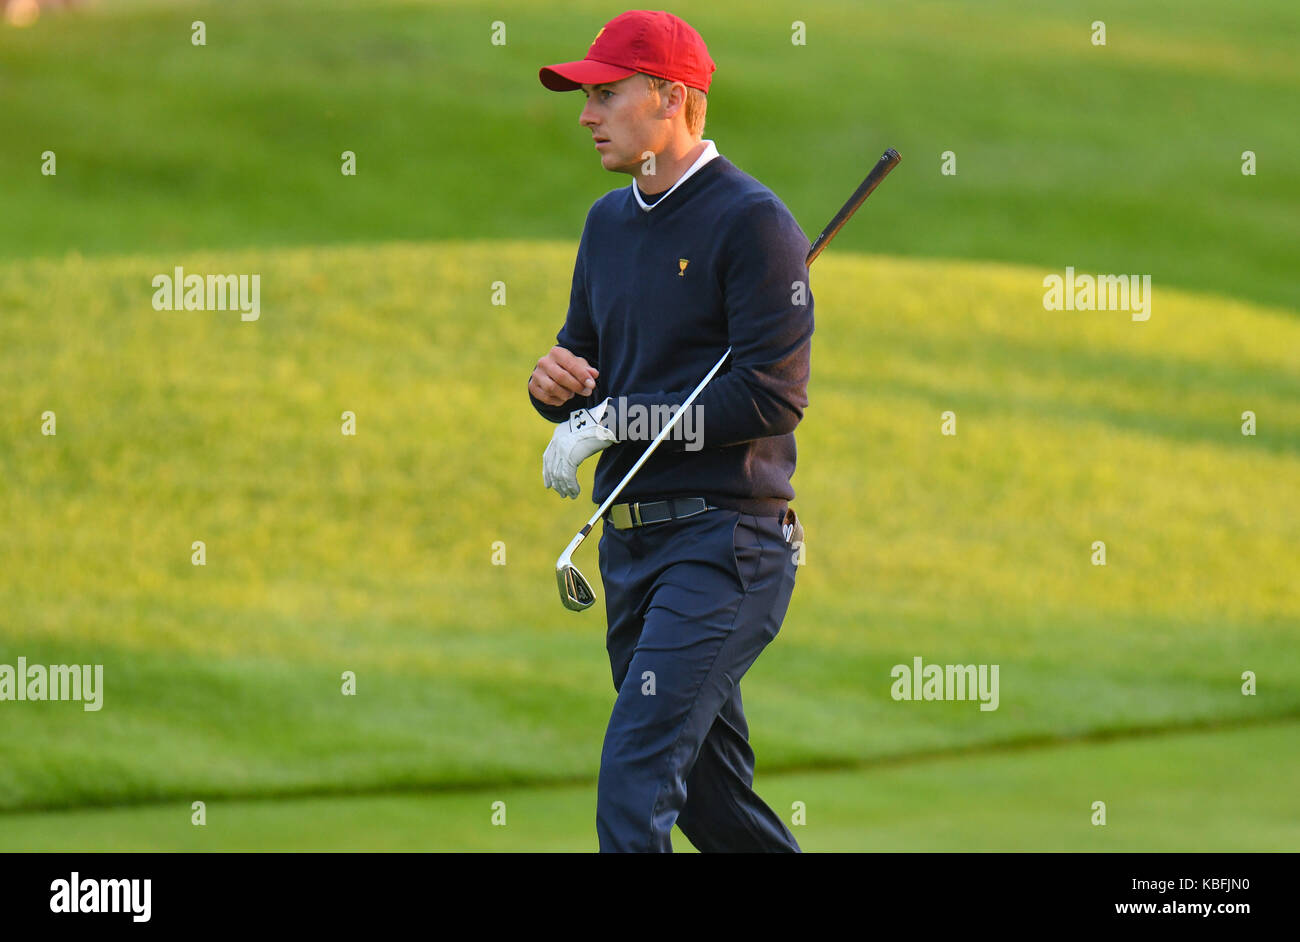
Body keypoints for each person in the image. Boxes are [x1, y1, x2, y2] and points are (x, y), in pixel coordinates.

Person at [527, 9, 811, 853]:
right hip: (632, 546)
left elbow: (769, 398)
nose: (586, 114)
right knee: (714, 806)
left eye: (605, 94)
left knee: (636, 772)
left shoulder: (753, 224)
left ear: (672, 98)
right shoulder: (607, 224)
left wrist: (618, 418)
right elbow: (588, 366)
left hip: (728, 545)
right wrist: (556, 387)